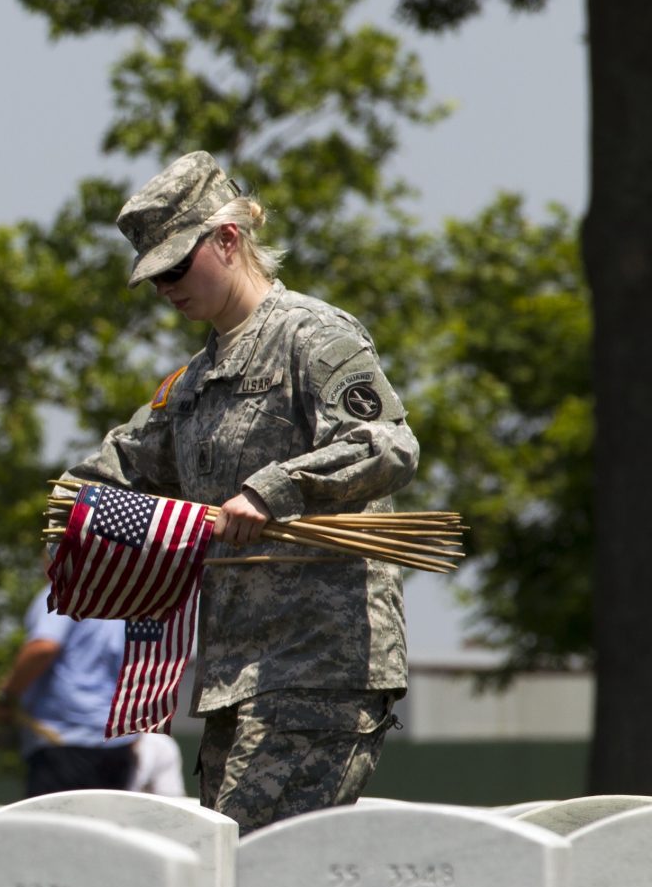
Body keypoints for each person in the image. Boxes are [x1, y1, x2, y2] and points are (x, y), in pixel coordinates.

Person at [62, 151, 417, 832]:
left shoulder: (312, 336)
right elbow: (120, 466)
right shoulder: (195, 382)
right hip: (235, 677)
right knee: (230, 871)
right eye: (154, 276)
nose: (165, 287)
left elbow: (387, 444)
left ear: (228, 238)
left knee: (253, 868)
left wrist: (275, 489)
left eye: (175, 266)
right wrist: (65, 505)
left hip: (320, 665)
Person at [0, 586, 137, 797]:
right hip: (118, 746)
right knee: (102, 827)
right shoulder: (120, 596)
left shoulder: (62, 590)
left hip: (64, 741)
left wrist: (7, 695)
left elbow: (43, 648)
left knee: (54, 828)